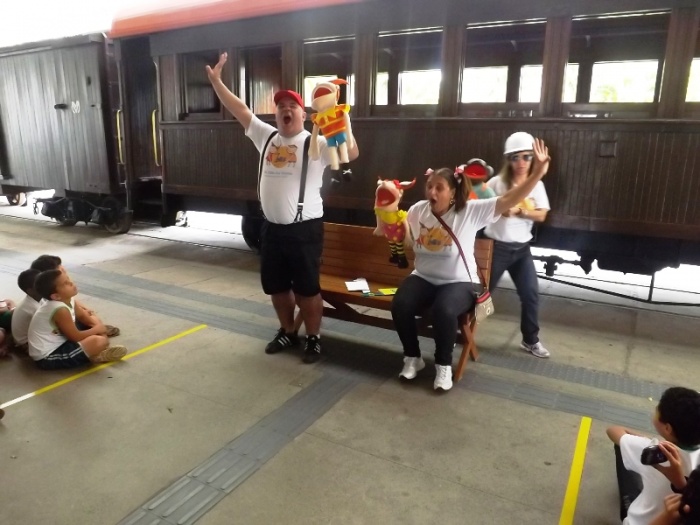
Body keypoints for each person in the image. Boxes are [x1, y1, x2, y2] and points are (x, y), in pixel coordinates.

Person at [206, 52, 359, 364]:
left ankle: (313, 337)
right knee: (276, 288)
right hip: (271, 229)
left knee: (307, 290)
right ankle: (288, 330)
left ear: (304, 114)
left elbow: (351, 153)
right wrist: (217, 82)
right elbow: (239, 109)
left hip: (305, 230)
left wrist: (343, 120)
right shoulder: (266, 136)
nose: (286, 109)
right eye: (280, 106)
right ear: (275, 114)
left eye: (292, 106)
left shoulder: (314, 141)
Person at [391, 138, 550, 391]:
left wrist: (537, 173)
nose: (432, 193)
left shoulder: (469, 211)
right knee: (400, 304)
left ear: (453, 193)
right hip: (423, 276)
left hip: (460, 282)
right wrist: (393, 219)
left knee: (444, 310)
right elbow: (404, 238)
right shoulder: (418, 210)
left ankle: (443, 365)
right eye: (429, 186)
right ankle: (413, 357)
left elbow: (509, 200)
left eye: (439, 188)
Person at [484, 131, 551, 358]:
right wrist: (500, 210)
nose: (521, 162)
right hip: (497, 248)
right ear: (508, 160)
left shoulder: (536, 185)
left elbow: (542, 215)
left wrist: (520, 211)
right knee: (481, 294)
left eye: (526, 157)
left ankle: (530, 340)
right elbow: (484, 206)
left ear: (532, 159)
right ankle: (461, 329)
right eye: (515, 157)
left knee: (530, 294)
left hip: (522, 250)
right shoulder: (496, 183)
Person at [606, 386, 700, 525]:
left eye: (657, 409)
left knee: (622, 445)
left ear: (667, 428)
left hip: (640, 521)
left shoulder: (655, 452)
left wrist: (646, 442)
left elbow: (613, 431)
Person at [28, 270, 127, 369]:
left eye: (68, 279)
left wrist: (97, 327)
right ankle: (97, 355)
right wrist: (97, 330)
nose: (71, 283)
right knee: (98, 341)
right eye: (65, 283)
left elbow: (83, 317)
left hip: (63, 340)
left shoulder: (68, 299)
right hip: (48, 356)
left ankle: (99, 348)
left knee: (93, 319)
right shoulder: (59, 309)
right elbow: (75, 337)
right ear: (56, 296)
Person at [30, 255, 120, 338]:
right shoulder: (52, 302)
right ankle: (96, 334)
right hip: (60, 332)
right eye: (59, 268)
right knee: (95, 335)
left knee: (91, 317)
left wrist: (86, 311)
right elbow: (74, 335)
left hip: (67, 323)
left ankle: (97, 332)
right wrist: (96, 330)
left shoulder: (59, 292)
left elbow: (74, 303)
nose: (63, 269)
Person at [10, 268, 42, 351]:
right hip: (26, 344)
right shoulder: (33, 308)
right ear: (30, 291)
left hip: (25, 339)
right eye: (41, 284)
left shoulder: (34, 299)